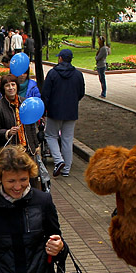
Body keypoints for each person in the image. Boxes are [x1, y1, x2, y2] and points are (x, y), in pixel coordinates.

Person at [41, 48, 85, 178]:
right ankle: (66, 168)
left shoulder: (53, 73)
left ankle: (58, 160)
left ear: (60, 58)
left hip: (55, 111)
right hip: (71, 111)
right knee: (67, 138)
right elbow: (81, 92)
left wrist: (44, 110)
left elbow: (46, 94)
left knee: (50, 136)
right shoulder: (78, 74)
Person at [0, 74, 39, 161]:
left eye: (13, 84)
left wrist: (36, 145)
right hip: (9, 152)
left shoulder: (25, 103)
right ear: (3, 88)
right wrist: (8, 132)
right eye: (7, 85)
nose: (11, 88)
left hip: (27, 149)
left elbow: (31, 126)